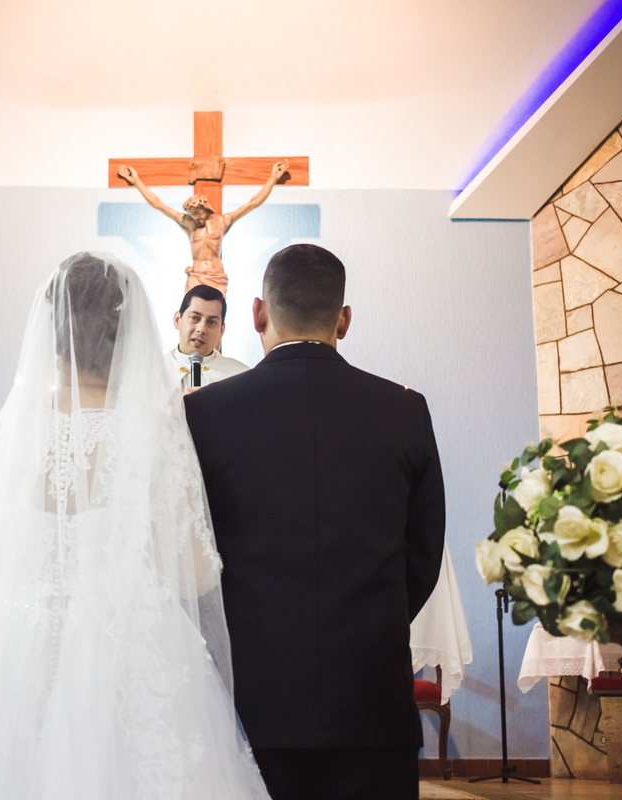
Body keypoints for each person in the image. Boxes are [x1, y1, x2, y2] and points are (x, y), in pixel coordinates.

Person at [0, 253, 269, 799]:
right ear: (128, 336)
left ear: (51, 332)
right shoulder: (154, 438)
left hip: (8, 654)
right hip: (130, 660)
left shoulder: (0, 440)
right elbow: (194, 574)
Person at [184, 244, 447, 800]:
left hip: (252, 697)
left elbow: (193, 548)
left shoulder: (203, 413)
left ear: (257, 313)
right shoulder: (404, 410)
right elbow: (423, 554)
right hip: (372, 698)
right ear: (344, 320)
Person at [117, 160, 289, 294]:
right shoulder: (189, 224)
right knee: (191, 317)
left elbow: (253, 203)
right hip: (196, 276)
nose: (196, 218)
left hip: (217, 276)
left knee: (217, 320)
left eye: (199, 213)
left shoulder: (222, 222)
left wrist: (273, 178)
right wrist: (137, 181)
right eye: (193, 215)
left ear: (206, 209)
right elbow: (158, 204)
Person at [170, 284, 248, 391]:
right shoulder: (151, 369)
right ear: (177, 320)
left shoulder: (241, 376)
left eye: (211, 322)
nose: (201, 329)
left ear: (221, 330)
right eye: (194, 318)